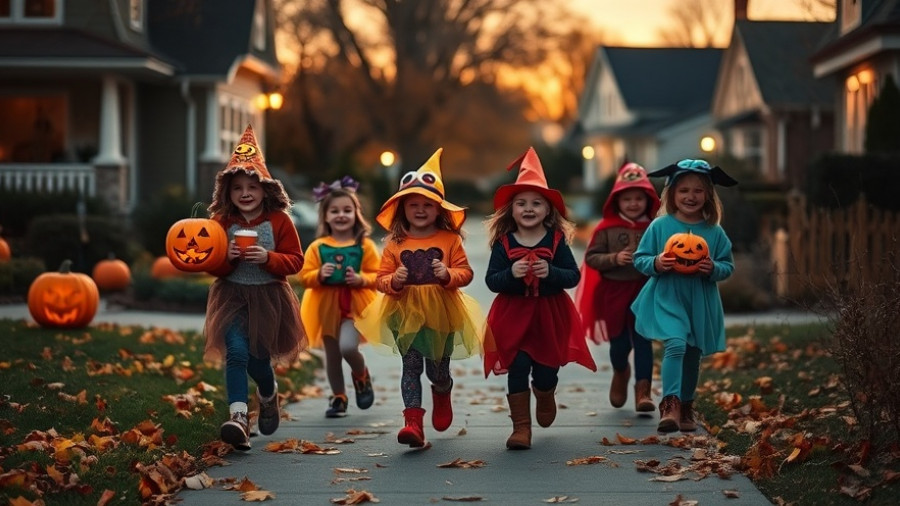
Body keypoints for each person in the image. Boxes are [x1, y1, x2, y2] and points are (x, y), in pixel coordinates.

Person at [355, 148, 483, 448]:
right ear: (402, 208)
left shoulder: (449, 240)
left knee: (437, 368)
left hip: (442, 311)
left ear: (439, 209)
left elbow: (466, 273)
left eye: (428, 204)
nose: (421, 209)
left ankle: (442, 389)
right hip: (405, 313)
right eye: (414, 204)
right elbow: (380, 278)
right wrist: (394, 281)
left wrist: (447, 274)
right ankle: (412, 422)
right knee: (410, 366)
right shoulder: (395, 243)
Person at [483, 146, 597, 450]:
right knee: (517, 365)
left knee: (546, 368)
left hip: (549, 314)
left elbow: (572, 275)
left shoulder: (557, 241)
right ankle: (521, 428)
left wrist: (551, 272)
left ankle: (545, 392)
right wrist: (511, 274)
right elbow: (492, 281)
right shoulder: (503, 243)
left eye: (536, 203)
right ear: (511, 210)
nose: (529, 208)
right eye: (521, 203)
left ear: (549, 210)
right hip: (513, 314)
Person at [203, 124, 307, 450]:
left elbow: (295, 261)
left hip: (269, 299)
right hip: (232, 296)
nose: (245, 193)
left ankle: (268, 392)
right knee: (235, 353)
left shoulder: (280, 221)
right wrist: (227, 258)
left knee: (259, 361)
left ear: (265, 189)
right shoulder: (221, 223)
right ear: (227, 193)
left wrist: (269, 258)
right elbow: (210, 262)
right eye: (237, 188)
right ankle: (238, 417)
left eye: (252, 186)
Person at [630, 158, 737, 433]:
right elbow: (640, 258)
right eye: (684, 190)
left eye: (698, 191)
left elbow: (728, 265)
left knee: (692, 355)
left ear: (708, 196)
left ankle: (687, 405)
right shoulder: (660, 227)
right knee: (675, 344)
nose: (691, 196)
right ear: (672, 194)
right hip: (667, 296)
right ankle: (671, 405)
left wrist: (713, 268)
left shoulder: (714, 232)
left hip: (699, 300)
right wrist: (656, 262)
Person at [575, 162, 661, 414]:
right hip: (614, 293)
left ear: (648, 200)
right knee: (620, 344)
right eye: (627, 199)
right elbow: (591, 258)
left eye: (639, 198)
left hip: (644, 292)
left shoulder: (654, 228)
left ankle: (643, 392)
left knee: (644, 341)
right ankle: (621, 371)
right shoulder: (606, 229)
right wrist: (614, 259)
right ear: (616, 201)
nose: (633, 204)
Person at [299, 176, 379, 418]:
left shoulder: (364, 245)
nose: (341, 215)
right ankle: (338, 397)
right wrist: (319, 275)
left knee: (347, 347)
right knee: (332, 355)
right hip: (326, 307)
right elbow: (304, 276)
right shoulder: (318, 246)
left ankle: (361, 374)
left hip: (355, 307)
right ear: (325, 216)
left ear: (357, 213)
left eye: (347, 210)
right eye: (334, 211)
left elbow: (378, 274)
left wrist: (362, 279)